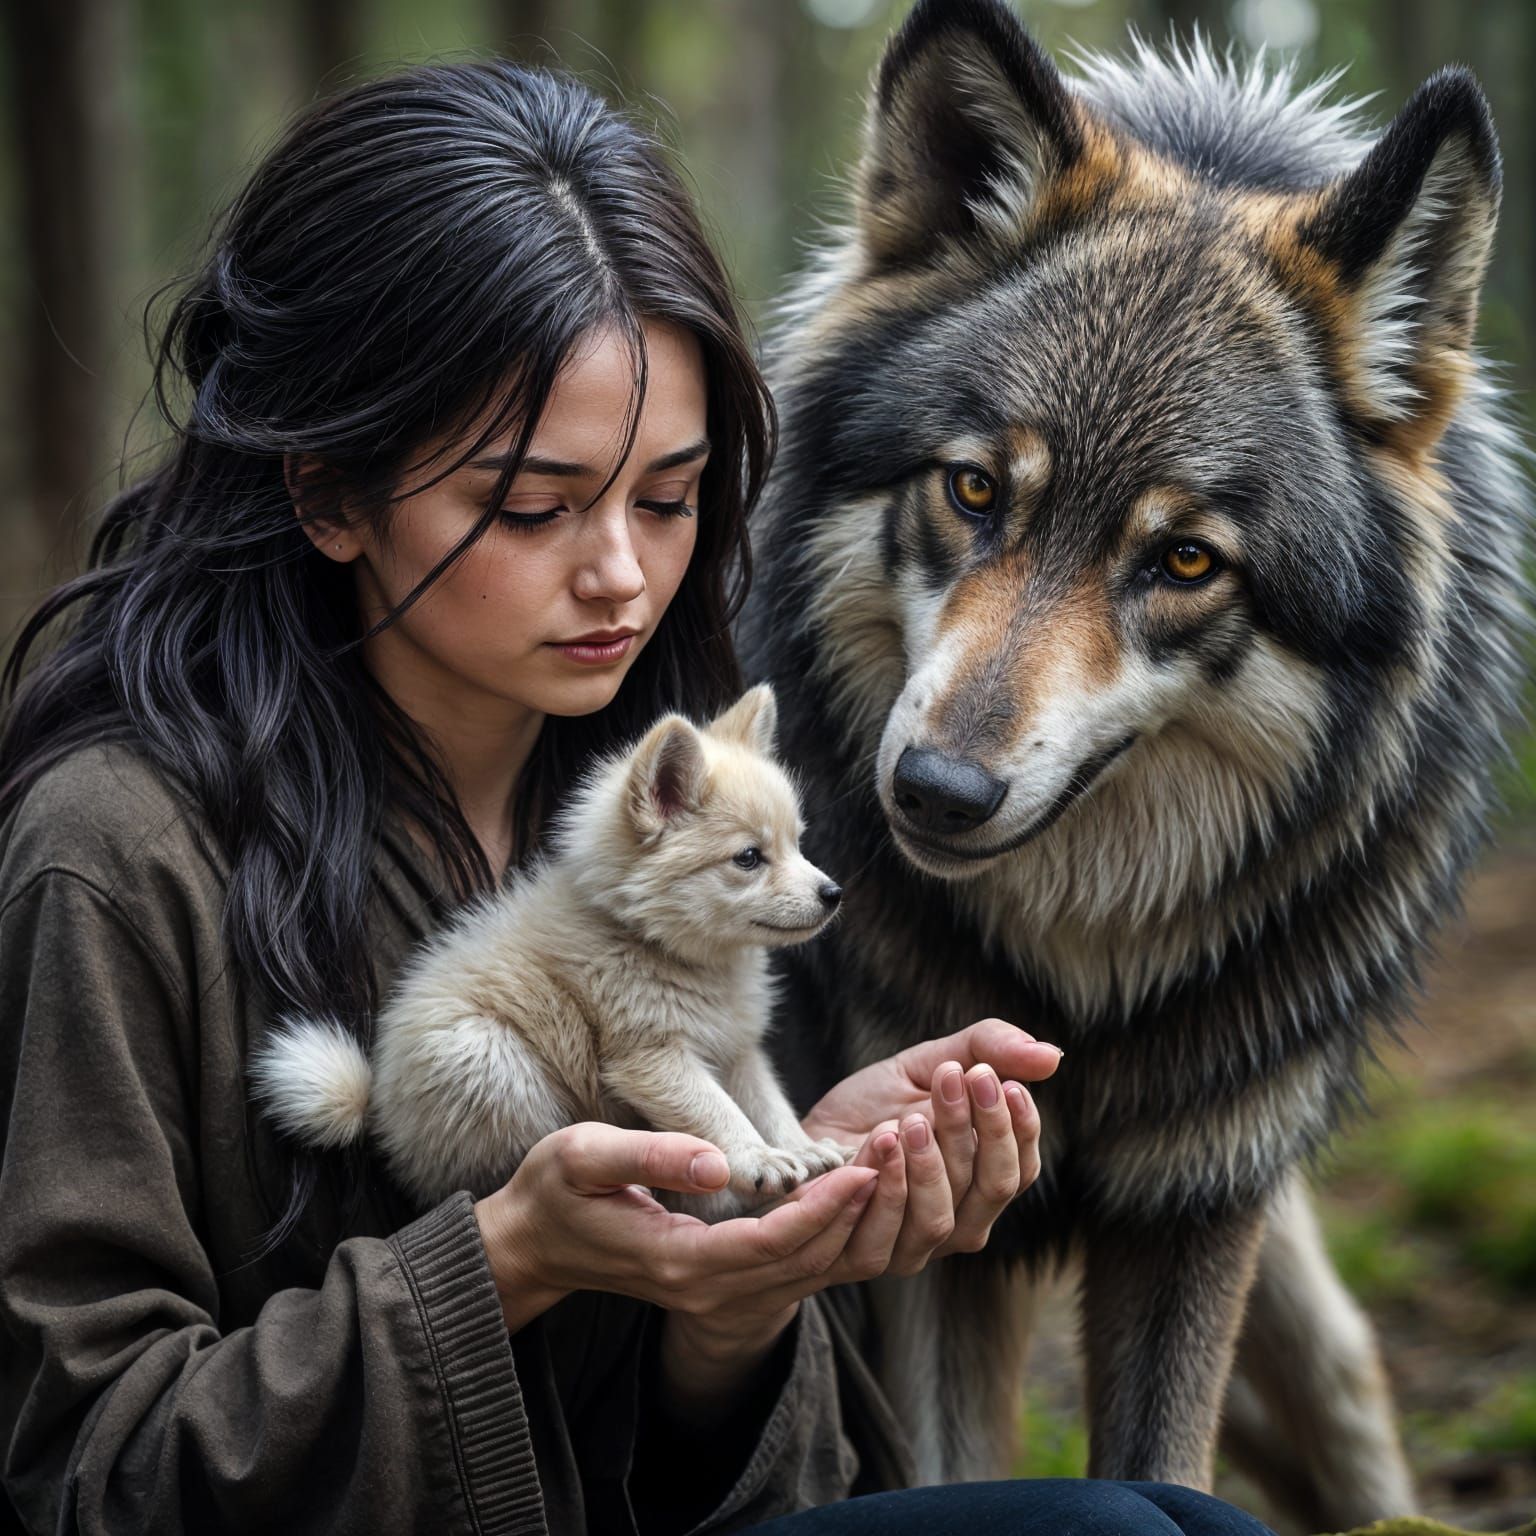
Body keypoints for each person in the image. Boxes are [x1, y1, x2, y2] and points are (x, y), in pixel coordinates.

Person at [0, 58, 1276, 1536]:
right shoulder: (112, 858)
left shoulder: (686, 796)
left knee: (1196, 1527)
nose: (621, 573)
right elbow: (83, 1474)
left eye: (668, 499)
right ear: (327, 491)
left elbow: (730, 1478)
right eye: (534, 506)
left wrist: (750, 1273)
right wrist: (508, 1257)